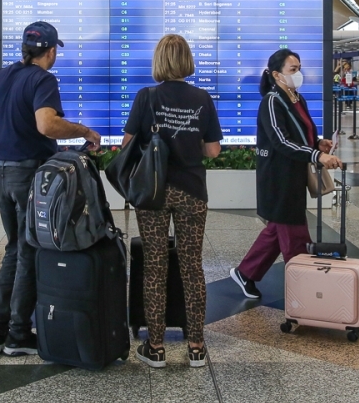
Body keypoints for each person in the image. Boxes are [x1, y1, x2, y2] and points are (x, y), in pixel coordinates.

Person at [0, 21, 101, 357]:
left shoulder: (2, 75)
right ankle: (18, 334)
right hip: (28, 176)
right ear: (51, 51)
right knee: (28, 251)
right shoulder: (43, 79)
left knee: (14, 248)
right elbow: (46, 124)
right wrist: (84, 130)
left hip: (3, 174)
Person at [121, 35, 223, 370]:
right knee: (192, 266)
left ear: (159, 61)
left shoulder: (146, 96)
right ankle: (196, 348)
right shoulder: (202, 98)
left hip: (154, 192)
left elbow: (128, 145)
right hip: (192, 191)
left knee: (155, 265)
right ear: (188, 60)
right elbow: (213, 150)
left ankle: (156, 348)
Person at [231, 49, 342, 303]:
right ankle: (306, 290)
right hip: (278, 177)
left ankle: (245, 272)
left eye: (299, 68)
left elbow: (302, 133)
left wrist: (319, 143)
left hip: (294, 174)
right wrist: (316, 156)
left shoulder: (296, 98)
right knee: (294, 235)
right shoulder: (271, 101)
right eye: (293, 69)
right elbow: (281, 141)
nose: (298, 73)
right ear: (276, 74)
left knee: (276, 229)